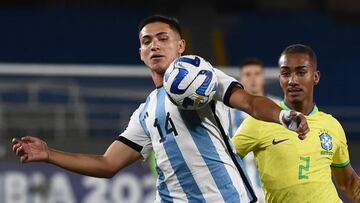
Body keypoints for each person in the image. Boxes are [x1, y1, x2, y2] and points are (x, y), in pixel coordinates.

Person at [11, 15, 309, 203]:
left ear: (181, 46)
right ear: (140, 54)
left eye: (162, 38)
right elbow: (107, 164)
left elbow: (250, 102)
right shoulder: (145, 112)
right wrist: (49, 155)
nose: (154, 46)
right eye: (146, 41)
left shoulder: (203, 78)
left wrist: (283, 116)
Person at [232, 44, 360, 203]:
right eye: (286, 73)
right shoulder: (259, 121)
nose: (292, 80)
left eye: (301, 72)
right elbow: (223, 161)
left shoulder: (331, 125)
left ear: (316, 77)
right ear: (280, 79)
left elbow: (349, 183)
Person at [229, 57, 281, 203]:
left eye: (257, 74)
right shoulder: (229, 110)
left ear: (263, 78)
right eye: (248, 74)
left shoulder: (278, 107)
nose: (253, 78)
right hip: (242, 187)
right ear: (241, 80)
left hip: (275, 185)